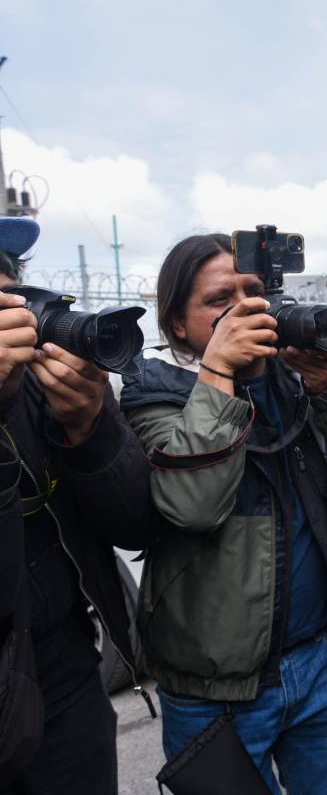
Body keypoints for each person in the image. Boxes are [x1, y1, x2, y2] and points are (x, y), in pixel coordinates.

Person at [119, 234, 327, 794]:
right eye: (221, 299)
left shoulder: (300, 380)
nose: (247, 308)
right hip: (216, 691)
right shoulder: (155, 396)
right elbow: (194, 505)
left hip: (326, 664)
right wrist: (220, 372)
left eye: (255, 292)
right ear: (177, 325)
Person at [0, 217, 157, 795]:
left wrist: (90, 428)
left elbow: (135, 523)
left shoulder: (55, 380)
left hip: (65, 676)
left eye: (11, 293)